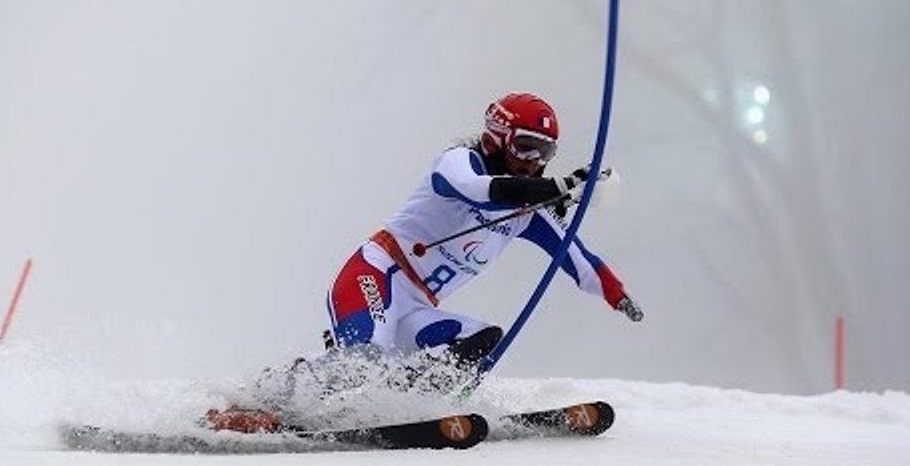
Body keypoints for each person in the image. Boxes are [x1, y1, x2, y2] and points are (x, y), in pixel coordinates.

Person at [207, 92, 642, 433]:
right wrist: (555, 186)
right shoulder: (458, 162)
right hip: (376, 275)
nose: (534, 162)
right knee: (366, 359)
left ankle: (408, 406)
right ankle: (258, 398)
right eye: (526, 148)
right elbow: (477, 189)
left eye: (544, 154)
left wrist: (617, 296)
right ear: (497, 136)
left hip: (416, 304)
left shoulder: (526, 215)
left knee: (482, 340)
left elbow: (579, 258)